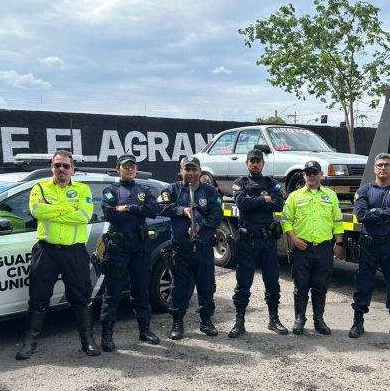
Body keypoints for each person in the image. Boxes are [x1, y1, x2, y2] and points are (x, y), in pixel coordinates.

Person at [16, 150, 101, 360]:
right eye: (57, 165)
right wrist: (69, 210)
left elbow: (84, 216)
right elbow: (37, 211)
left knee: (81, 297)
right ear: (51, 167)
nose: (61, 169)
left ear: (73, 169)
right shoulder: (40, 187)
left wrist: (52, 209)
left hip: (74, 251)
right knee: (38, 297)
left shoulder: (83, 189)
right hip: (46, 250)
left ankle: (88, 341)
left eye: (65, 166)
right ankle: (29, 342)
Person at [98, 153, 160, 352]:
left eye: (133, 166)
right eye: (126, 166)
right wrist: (137, 209)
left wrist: (127, 208)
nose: (130, 169)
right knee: (113, 293)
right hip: (118, 248)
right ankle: (107, 336)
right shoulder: (111, 191)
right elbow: (110, 213)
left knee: (141, 290)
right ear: (118, 169)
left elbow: (153, 210)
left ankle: (145, 330)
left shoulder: (144, 190)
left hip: (140, 247)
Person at [159, 155, 223, 340]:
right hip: (181, 251)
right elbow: (158, 207)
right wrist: (181, 210)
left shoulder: (209, 191)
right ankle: (177, 323)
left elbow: (217, 215)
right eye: (187, 169)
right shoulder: (172, 189)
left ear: (200, 171)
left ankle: (206, 321)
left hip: (203, 249)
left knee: (207, 287)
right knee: (179, 289)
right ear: (181, 171)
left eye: (194, 169)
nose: (190, 173)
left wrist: (200, 225)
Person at [349, 153, 390, 340]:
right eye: (380, 165)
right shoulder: (364, 190)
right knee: (363, 285)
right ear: (374, 168)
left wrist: (375, 211)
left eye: (387, 165)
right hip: (369, 246)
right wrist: (386, 214)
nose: (383, 168)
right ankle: (358, 322)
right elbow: (361, 215)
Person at [228, 149, 287, 338]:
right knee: (243, 283)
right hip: (247, 241)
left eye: (258, 161)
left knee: (272, 282)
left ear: (263, 163)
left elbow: (279, 204)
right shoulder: (240, 183)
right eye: (251, 161)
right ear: (247, 163)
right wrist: (265, 199)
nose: (254, 164)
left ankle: (273, 319)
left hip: (267, 241)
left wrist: (253, 201)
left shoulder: (271, 182)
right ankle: (239, 322)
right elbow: (242, 204)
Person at [280, 160, 343, 335]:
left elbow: (337, 221)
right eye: (308, 173)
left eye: (315, 172)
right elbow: (285, 220)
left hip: (324, 248)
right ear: (304, 175)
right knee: (300, 286)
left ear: (321, 174)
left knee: (321, 286)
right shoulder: (295, 196)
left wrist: (339, 243)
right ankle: (299, 319)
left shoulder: (331, 196)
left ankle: (319, 320)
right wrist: (294, 239)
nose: (312, 176)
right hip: (302, 248)